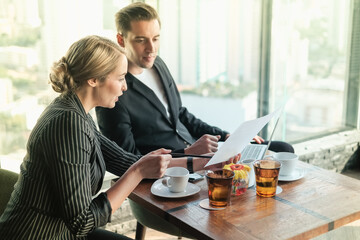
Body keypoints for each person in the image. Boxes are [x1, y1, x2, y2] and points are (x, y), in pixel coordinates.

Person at [0, 35, 226, 239]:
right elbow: (83, 222)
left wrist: (203, 162)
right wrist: (138, 172)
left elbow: (124, 161)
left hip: (62, 231)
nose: (125, 87)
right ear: (93, 80)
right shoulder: (68, 123)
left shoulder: (76, 111)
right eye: (120, 78)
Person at [95, 2, 294, 156]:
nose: (151, 48)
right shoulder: (113, 93)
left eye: (155, 39)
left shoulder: (157, 64)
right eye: (141, 40)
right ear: (121, 40)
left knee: (282, 148)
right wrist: (188, 154)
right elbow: (128, 159)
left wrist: (226, 136)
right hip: (173, 172)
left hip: (200, 155)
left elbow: (180, 115)